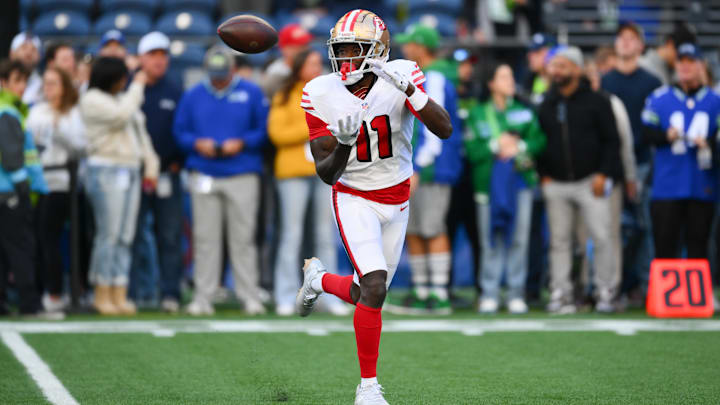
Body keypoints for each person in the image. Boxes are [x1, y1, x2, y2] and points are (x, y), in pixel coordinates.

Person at [294, 10, 453, 404]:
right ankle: (367, 387)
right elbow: (327, 174)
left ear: (378, 50)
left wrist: (414, 92)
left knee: (368, 291)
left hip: (397, 198)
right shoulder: (319, 91)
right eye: (340, 50)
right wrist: (345, 143)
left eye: (355, 49)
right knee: (376, 285)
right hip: (353, 195)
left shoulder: (402, 74)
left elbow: (445, 129)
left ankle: (318, 280)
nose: (345, 59)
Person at [174, 46, 269, 316]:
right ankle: (203, 297)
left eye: (223, 74)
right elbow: (180, 131)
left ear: (233, 69)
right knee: (205, 239)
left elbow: (263, 130)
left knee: (243, 239)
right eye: (214, 74)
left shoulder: (251, 92)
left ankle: (249, 296)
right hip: (204, 172)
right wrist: (196, 143)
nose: (219, 79)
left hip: (242, 173)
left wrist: (241, 143)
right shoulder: (193, 95)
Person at [537, 46, 621, 314]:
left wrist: (604, 173)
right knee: (559, 241)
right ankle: (561, 292)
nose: (556, 71)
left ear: (576, 68)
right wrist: (544, 175)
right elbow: (538, 141)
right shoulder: (546, 103)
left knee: (602, 236)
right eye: (554, 66)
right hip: (556, 183)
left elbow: (612, 141)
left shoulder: (597, 101)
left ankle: (605, 290)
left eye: (562, 66)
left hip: (590, 180)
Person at [268, 49, 349, 316]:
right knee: (291, 235)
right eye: (312, 64)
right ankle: (285, 294)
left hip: (324, 170)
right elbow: (277, 133)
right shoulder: (285, 94)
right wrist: (313, 126)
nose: (317, 68)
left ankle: (330, 297)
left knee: (325, 235)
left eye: (319, 64)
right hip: (292, 172)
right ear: (299, 67)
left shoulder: (330, 94)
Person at [464, 62, 546, 314]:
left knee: (518, 239)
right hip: (486, 187)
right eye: (504, 77)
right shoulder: (478, 114)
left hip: (519, 184)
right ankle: (489, 292)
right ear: (491, 83)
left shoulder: (524, 112)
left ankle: (515, 293)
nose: (510, 81)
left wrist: (519, 147)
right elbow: (471, 151)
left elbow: (539, 140)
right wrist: (495, 145)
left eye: (511, 76)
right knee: (490, 240)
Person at [392, 24, 463, 314]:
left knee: (432, 228)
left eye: (410, 44)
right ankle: (422, 290)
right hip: (419, 166)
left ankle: (438, 292)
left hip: (431, 167)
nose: (405, 49)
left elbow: (435, 127)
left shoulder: (433, 77)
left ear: (421, 47)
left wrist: (419, 165)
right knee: (416, 229)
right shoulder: (428, 75)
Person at [80, 57, 159, 315]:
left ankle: (119, 290)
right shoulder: (91, 98)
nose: (125, 81)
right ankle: (101, 291)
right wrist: (137, 87)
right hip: (105, 168)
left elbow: (141, 132)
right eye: (122, 77)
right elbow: (121, 116)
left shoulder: (122, 98)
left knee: (125, 236)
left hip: (130, 169)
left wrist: (151, 165)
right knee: (109, 234)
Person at [601, 22, 662, 300]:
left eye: (631, 38)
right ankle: (616, 288)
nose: (625, 42)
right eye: (621, 38)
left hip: (645, 163)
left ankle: (649, 287)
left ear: (641, 45)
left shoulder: (652, 82)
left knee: (648, 227)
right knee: (613, 230)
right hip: (613, 167)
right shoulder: (606, 81)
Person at [642, 43, 720, 260]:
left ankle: (698, 294)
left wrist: (710, 144)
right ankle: (666, 294)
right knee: (665, 246)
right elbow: (645, 134)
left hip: (702, 184)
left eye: (690, 62)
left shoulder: (715, 101)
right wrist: (665, 136)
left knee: (699, 245)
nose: (685, 67)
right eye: (681, 62)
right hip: (667, 184)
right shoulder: (659, 98)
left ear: (701, 65)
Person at [129, 32, 185, 313]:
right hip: (134, 175)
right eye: (153, 54)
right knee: (134, 234)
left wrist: (178, 161)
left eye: (163, 55)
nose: (159, 60)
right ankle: (136, 293)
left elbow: (183, 130)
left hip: (167, 173)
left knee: (170, 235)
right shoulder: (129, 89)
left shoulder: (175, 91)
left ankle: (170, 293)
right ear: (141, 58)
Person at [26, 67, 86, 313]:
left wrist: (59, 131)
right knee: (39, 240)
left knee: (55, 240)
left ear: (64, 86)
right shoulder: (37, 111)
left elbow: (82, 147)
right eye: (46, 83)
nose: (48, 88)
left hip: (61, 184)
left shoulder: (72, 112)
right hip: (36, 183)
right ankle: (44, 290)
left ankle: (57, 292)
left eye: (54, 83)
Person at [0, 60, 49, 317]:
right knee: (21, 249)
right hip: (10, 192)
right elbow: (10, 156)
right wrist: (23, 188)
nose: (21, 87)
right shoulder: (7, 111)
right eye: (16, 81)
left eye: (24, 82)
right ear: (3, 83)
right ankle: (30, 303)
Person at [260, 24, 313, 96]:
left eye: (306, 45)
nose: (305, 49)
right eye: (300, 46)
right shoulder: (275, 72)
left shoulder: (314, 68)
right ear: (285, 49)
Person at [9, 32, 42, 106]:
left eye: (33, 49)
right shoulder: (1, 81)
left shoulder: (45, 85)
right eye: (23, 48)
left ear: (39, 56)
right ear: (12, 53)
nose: (28, 53)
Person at [522, 32, 554, 105]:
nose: (530, 56)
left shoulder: (561, 80)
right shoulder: (528, 79)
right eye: (530, 52)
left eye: (537, 52)